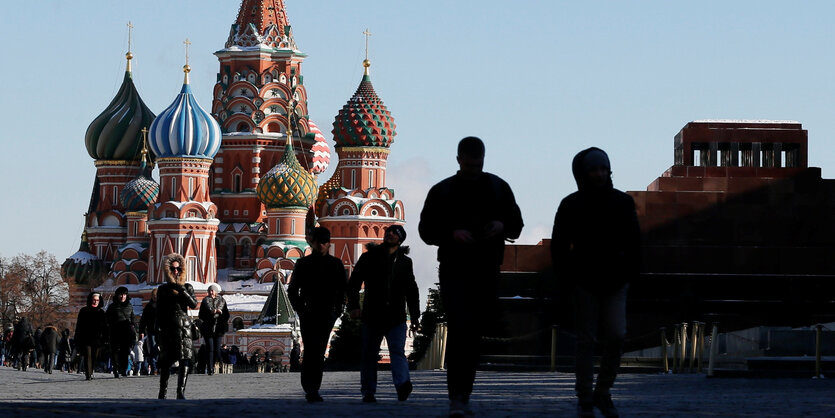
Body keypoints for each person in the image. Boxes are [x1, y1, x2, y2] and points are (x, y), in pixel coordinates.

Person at [419, 136, 523, 417]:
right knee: (461, 329)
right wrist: (451, 234)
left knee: (472, 333)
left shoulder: (498, 188)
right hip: (455, 269)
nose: (474, 169)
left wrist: (501, 225)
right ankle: (457, 396)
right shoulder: (443, 192)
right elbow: (426, 231)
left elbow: (516, 225)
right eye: (470, 164)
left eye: (478, 164)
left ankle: (463, 394)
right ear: (459, 160)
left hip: (486, 269)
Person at [551, 147, 640, 418]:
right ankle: (586, 397)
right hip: (584, 281)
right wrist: (569, 278)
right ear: (583, 173)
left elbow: (634, 242)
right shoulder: (571, 204)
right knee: (586, 342)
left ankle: (603, 390)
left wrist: (629, 273)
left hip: (615, 280)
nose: (600, 174)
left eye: (603, 169)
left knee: (616, 335)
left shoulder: (622, 202)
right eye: (594, 170)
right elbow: (559, 246)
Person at [348, 224, 421, 403]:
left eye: (394, 233)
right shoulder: (368, 258)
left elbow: (412, 290)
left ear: (400, 239)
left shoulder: (405, 262)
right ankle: (368, 391)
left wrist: (415, 315)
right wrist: (354, 306)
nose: (389, 234)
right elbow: (354, 283)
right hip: (373, 314)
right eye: (388, 231)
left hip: (396, 316)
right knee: (369, 354)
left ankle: (403, 385)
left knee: (397, 352)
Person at [287, 226, 348, 403]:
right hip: (309, 312)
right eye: (318, 242)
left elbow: (343, 289)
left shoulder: (336, 264)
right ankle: (310, 388)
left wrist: (338, 310)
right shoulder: (303, 264)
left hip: (327, 313)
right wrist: (300, 308)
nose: (321, 245)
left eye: (324, 242)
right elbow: (293, 290)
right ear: (312, 243)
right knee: (310, 350)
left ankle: (314, 388)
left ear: (329, 243)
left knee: (319, 350)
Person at [155, 253, 198, 399]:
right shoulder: (163, 289)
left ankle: (180, 392)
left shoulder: (187, 287)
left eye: (178, 269)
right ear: (167, 270)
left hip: (184, 329)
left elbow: (193, 304)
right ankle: (163, 391)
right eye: (173, 269)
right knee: (166, 361)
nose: (176, 272)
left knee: (185, 359)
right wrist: (157, 331)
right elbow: (159, 311)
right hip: (167, 328)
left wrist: (181, 290)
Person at [75, 292, 108, 380]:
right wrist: (77, 337)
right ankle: (88, 374)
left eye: (97, 300)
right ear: (90, 300)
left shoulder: (101, 312)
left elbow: (105, 327)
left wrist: (105, 338)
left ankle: (91, 370)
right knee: (87, 355)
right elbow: (79, 325)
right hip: (86, 338)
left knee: (94, 356)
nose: (95, 302)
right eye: (94, 300)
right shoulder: (84, 311)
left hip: (97, 339)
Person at [199, 282, 229, 376]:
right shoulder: (205, 301)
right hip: (208, 328)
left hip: (219, 329)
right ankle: (210, 368)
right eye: (210, 291)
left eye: (213, 290)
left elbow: (227, 315)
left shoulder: (222, 301)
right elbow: (201, 315)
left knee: (217, 348)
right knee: (210, 348)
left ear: (216, 292)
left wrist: (220, 314)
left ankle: (218, 363)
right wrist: (210, 313)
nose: (211, 292)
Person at [106, 286, 136, 378]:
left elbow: (132, 319)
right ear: (117, 295)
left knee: (125, 351)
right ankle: (115, 368)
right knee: (115, 351)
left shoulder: (130, 306)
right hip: (115, 332)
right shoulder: (112, 307)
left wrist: (134, 328)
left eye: (124, 295)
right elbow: (107, 319)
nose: (122, 297)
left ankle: (123, 370)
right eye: (121, 295)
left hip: (126, 332)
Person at [138, 288, 159, 375]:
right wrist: (141, 331)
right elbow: (143, 320)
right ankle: (154, 368)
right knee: (153, 349)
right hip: (152, 331)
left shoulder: (163, 306)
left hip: (160, 331)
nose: (155, 297)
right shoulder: (149, 306)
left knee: (158, 350)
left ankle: (157, 367)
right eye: (154, 296)